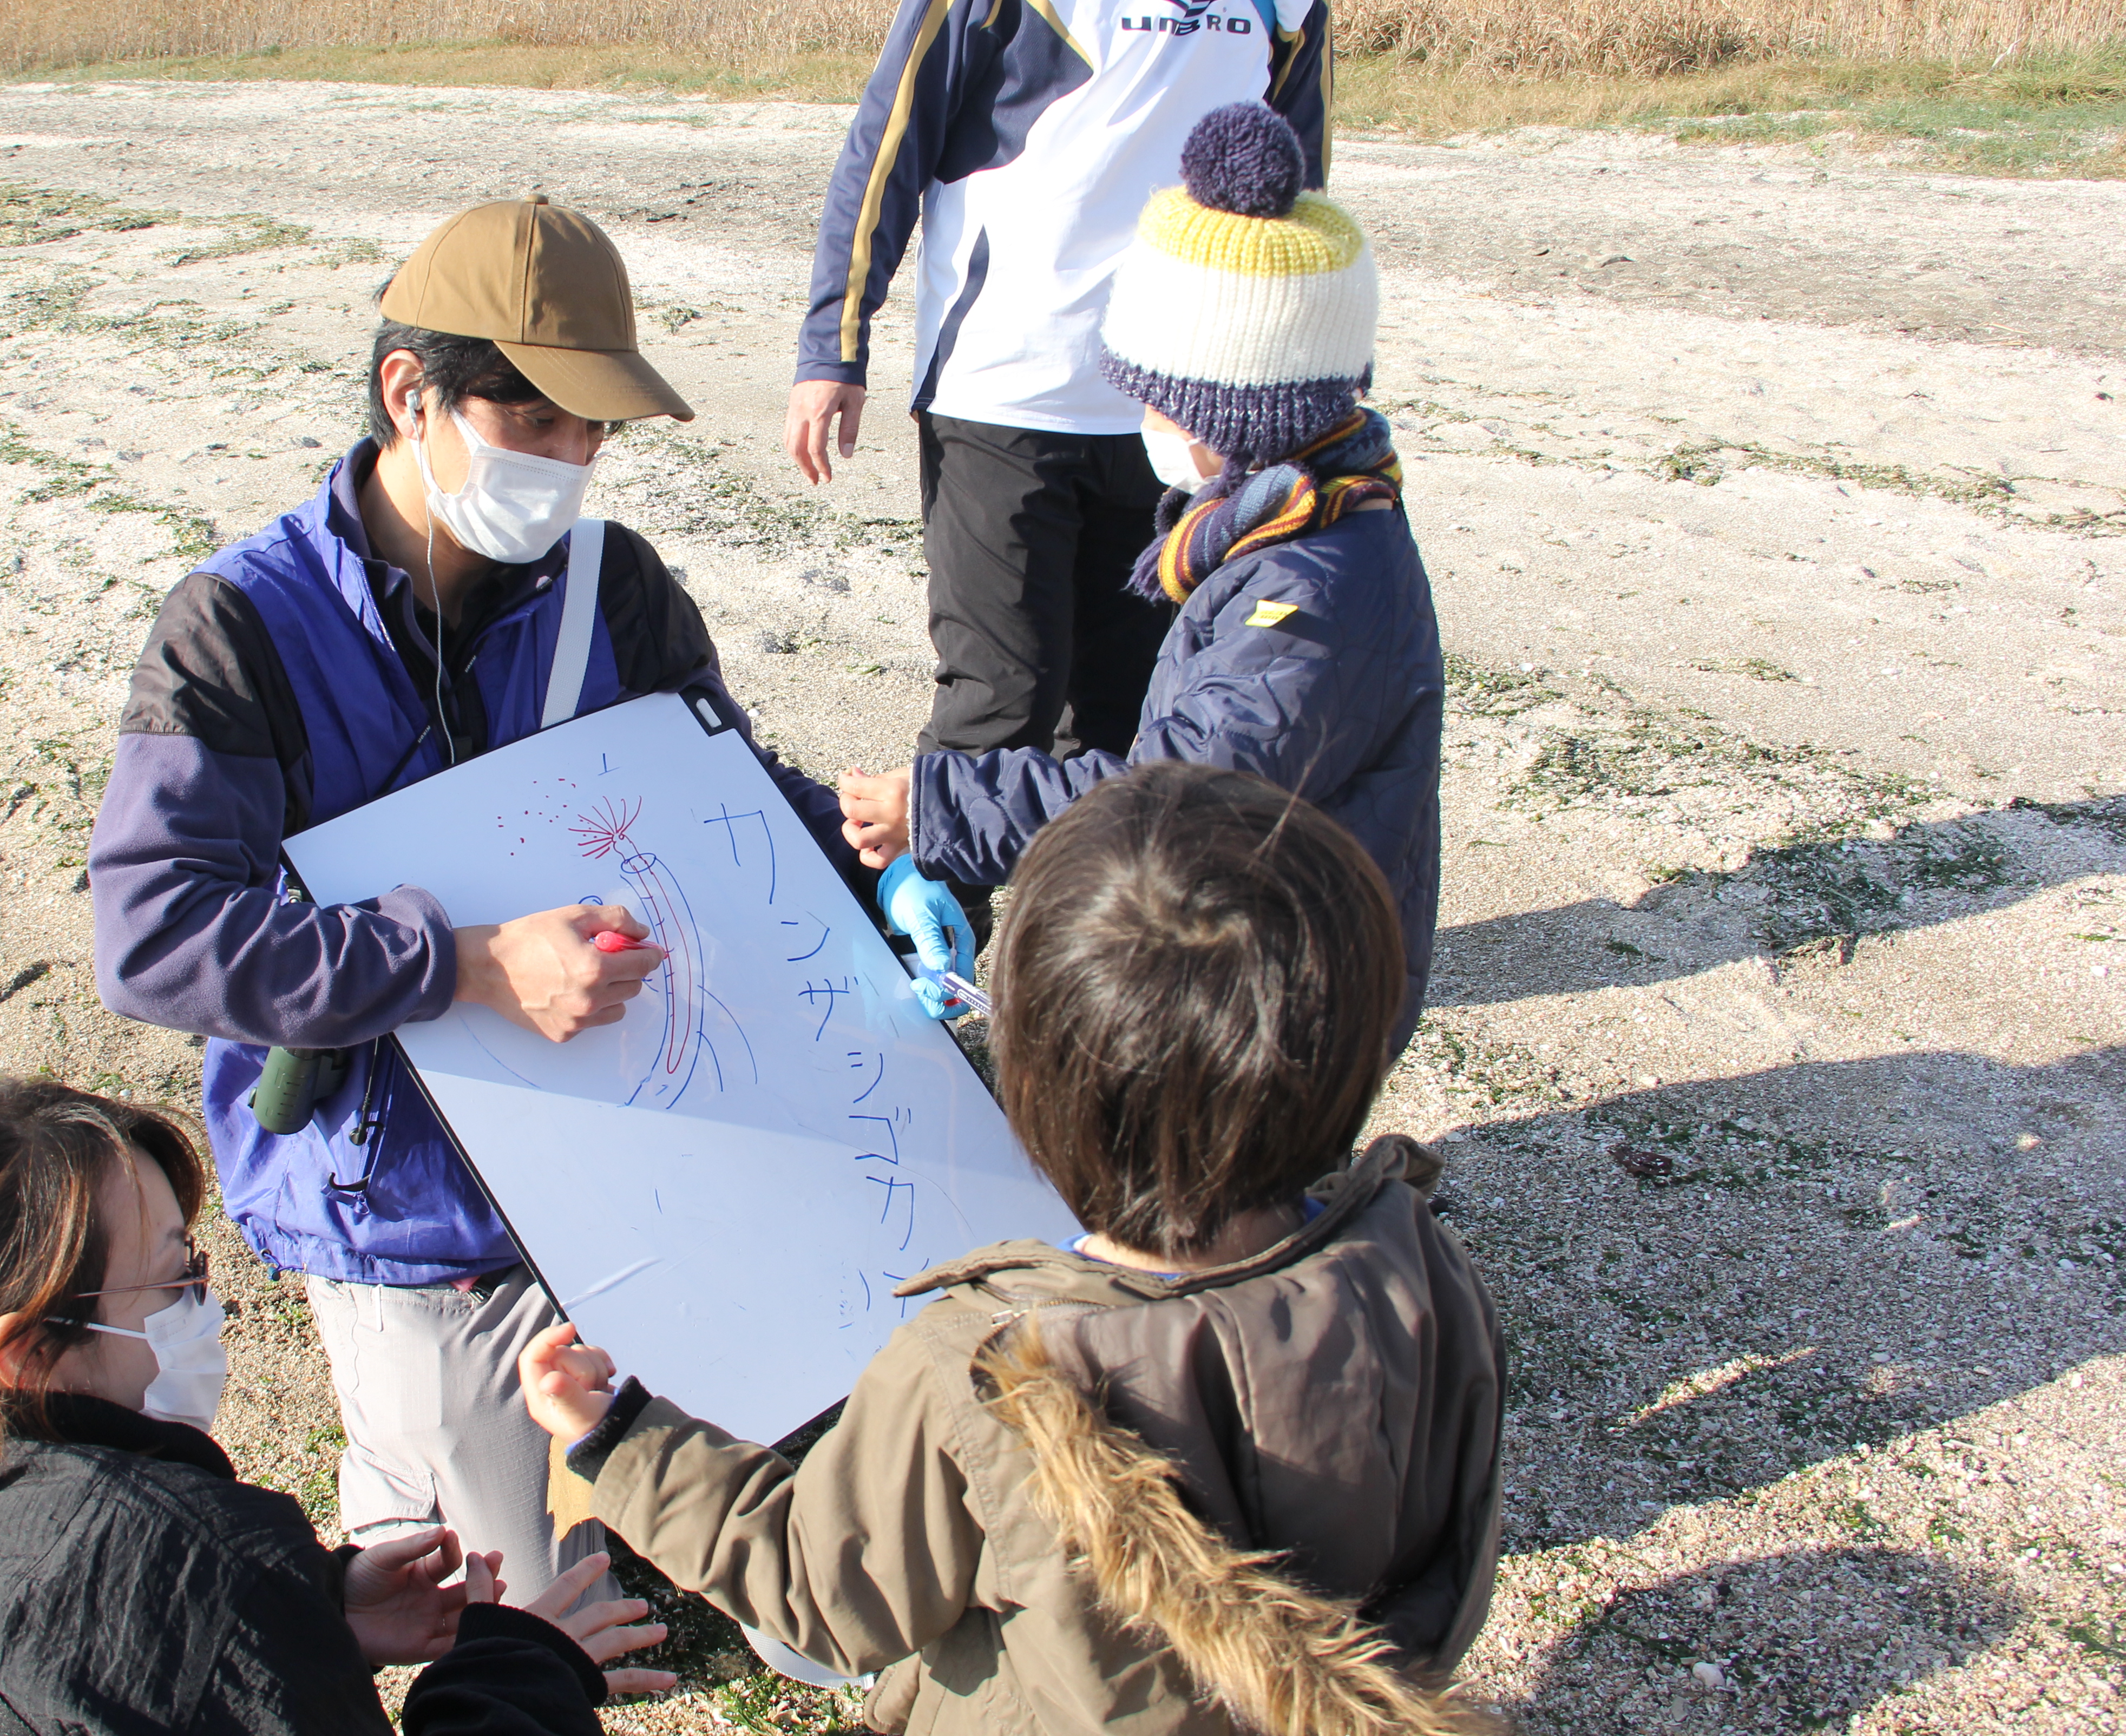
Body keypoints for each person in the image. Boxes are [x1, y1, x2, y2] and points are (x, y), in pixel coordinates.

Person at [87, 194, 975, 1604]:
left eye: (595, 432)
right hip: (408, 1203)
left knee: (672, 1521)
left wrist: (879, 862)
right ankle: (410, 1493)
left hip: (639, 1136)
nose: (572, 463)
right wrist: (460, 966)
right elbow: (153, 935)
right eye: (538, 421)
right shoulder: (236, 630)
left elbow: (727, 797)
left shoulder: (612, 589)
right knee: (482, 1591)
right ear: (409, 394)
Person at [518, 764, 1506, 1736]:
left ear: (1036, 1084)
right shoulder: (1414, 1255)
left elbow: (825, 1587)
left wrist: (624, 1442)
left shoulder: (986, 1370)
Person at [0, 1076, 672, 1734]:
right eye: (174, 1275)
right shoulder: (193, 1556)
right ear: (28, 1353)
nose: (208, 1303)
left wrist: (314, 1612)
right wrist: (522, 1669)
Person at [838, 102, 1443, 1053]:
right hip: (1267, 960)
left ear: (1233, 412)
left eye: (1158, 398)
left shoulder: (1308, 594)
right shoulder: (1298, 526)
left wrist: (941, 806)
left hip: (1278, 1010)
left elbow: (1182, 796)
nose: (1143, 419)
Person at [789, 0, 1336, 826]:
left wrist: (1284, 394)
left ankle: (1088, 962)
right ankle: (928, 963)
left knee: (1129, 722)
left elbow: (1295, 190)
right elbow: (897, 121)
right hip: (1006, 387)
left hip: (1177, 414)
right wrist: (836, 341)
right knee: (1001, 706)